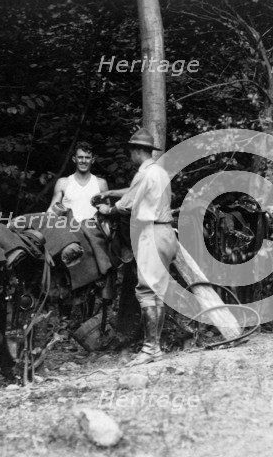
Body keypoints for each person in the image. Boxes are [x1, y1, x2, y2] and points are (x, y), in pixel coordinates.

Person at [97, 128, 178, 366]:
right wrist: (115, 195)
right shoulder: (160, 172)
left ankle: (149, 348)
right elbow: (140, 194)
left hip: (150, 233)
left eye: (131, 150)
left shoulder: (143, 174)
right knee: (158, 294)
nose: (130, 155)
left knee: (145, 292)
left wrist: (108, 209)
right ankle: (156, 348)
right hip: (166, 232)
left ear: (137, 151)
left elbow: (127, 204)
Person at [48, 142, 109, 223]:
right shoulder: (63, 182)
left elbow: (108, 210)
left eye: (87, 158)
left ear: (93, 160)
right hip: (67, 231)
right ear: (74, 159)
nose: (83, 161)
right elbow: (52, 210)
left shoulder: (101, 183)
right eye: (80, 157)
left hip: (92, 231)